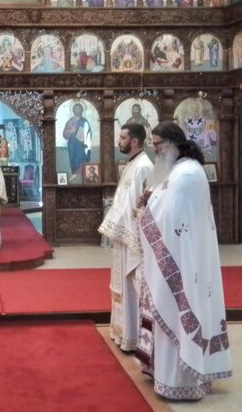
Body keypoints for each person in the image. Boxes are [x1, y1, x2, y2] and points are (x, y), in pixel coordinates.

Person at [136, 121, 232, 400]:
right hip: (180, 256)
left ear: (171, 144)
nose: (155, 151)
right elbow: (166, 207)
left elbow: (170, 218)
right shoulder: (181, 170)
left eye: (157, 145)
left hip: (182, 261)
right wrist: (150, 201)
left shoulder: (187, 174)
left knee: (178, 312)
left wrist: (144, 212)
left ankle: (180, 382)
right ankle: (166, 375)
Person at [99, 123, 154, 352]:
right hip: (123, 236)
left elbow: (146, 206)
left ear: (135, 141)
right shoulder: (131, 164)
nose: (118, 141)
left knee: (133, 287)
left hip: (134, 238)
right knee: (121, 286)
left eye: (122, 138)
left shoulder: (144, 167)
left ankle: (135, 337)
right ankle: (123, 333)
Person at [63, 102, 92, 180]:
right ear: (73, 110)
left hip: (80, 144)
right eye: (75, 109)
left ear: (82, 110)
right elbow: (65, 134)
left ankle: (81, 174)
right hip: (71, 143)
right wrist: (70, 131)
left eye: (78, 109)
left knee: (79, 158)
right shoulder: (70, 121)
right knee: (72, 158)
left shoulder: (84, 121)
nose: (77, 110)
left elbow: (88, 133)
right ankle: (74, 173)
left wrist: (83, 138)